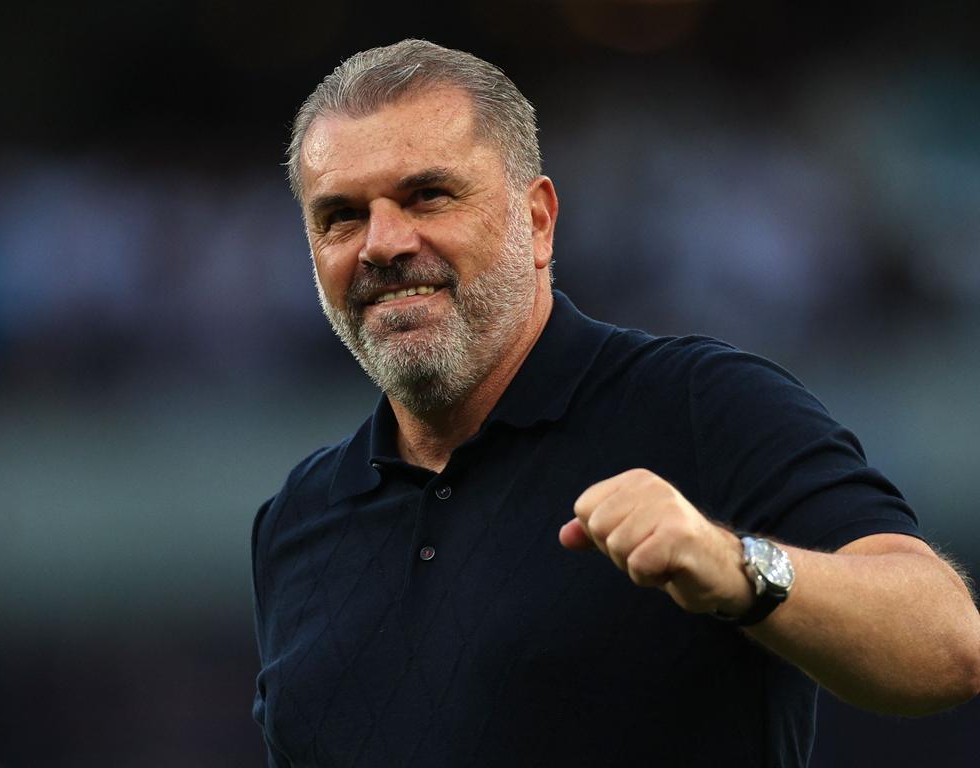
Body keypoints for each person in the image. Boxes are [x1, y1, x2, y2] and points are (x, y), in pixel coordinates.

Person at [250, 39, 980, 767]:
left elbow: (948, 643)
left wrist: (734, 567)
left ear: (536, 221)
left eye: (427, 195)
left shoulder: (697, 403)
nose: (382, 243)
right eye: (340, 215)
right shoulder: (298, 522)